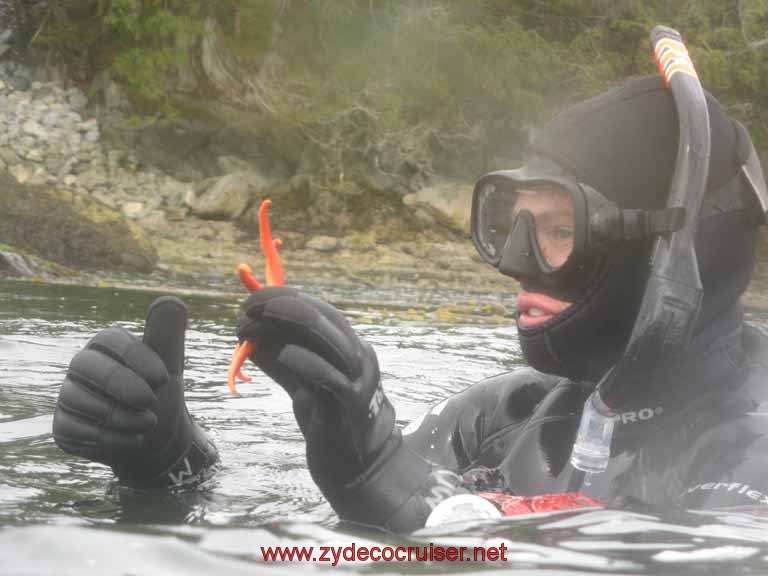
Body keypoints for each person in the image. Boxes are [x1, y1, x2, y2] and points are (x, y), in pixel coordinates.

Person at [52, 73, 768, 532]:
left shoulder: (751, 456)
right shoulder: (508, 418)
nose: (515, 261)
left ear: (678, 258)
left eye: (559, 230)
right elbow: (283, 529)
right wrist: (170, 459)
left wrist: (396, 499)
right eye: (508, 224)